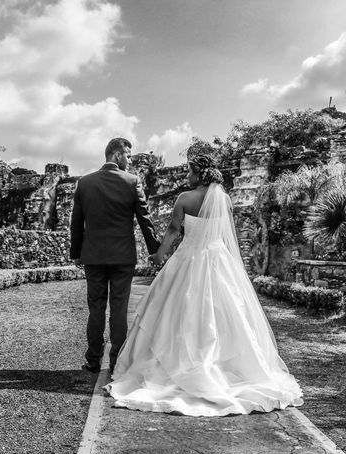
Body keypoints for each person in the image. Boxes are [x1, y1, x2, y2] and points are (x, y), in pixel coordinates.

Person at [104, 155, 303, 416]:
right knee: (224, 313)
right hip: (218, 260)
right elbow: (225, 235)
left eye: (189, 172)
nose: (187, 176)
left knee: (175, 311)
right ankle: (226, 367)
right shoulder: (225, 199)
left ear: (198, 174)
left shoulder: (184, 199)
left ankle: (175, 366)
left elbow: (174, 231)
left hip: (188, 259)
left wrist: (159, 255)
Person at [70, 137, 160, 375]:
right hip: (122, 257)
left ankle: (93, 359)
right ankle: (117, 362)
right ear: (117, 154)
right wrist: (155, 251)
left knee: (96, 308)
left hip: (93, 256)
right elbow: (145, 219)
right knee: (119, 309)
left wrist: (76, 253)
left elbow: (76, 222)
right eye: (128, 155)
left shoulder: (85, 183)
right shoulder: (132, 182)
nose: (129, 161)